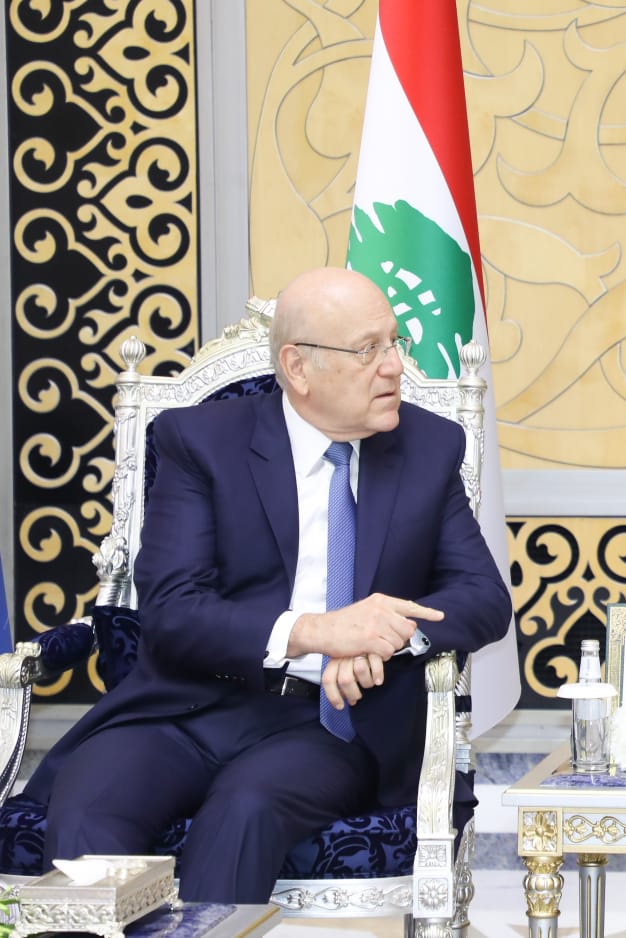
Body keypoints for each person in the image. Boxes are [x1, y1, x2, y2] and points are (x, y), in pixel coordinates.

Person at [20, 267, 513, 902]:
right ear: (298, 368)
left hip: (326, 723)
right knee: (89, 812)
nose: (394, 366)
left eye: (395, 343)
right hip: (182, 708)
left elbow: (481, 597)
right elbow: (173, 611)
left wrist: (382, 636)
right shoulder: (201, 442)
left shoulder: (427, 446)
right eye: (369, 350)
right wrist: (316, 632)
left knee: (244, 813)